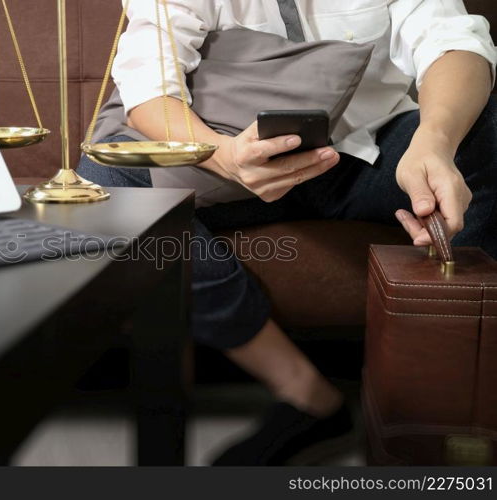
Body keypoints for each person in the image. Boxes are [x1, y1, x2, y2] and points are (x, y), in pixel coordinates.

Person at [77, 0, 497, 465]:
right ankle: (306, 395)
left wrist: (435, 142)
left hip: (366, 153)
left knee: (485, 133)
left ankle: (450, 425)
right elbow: (148, 86)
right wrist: (223, 157)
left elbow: (454, 42)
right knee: (108, 182)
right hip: (228, 153)